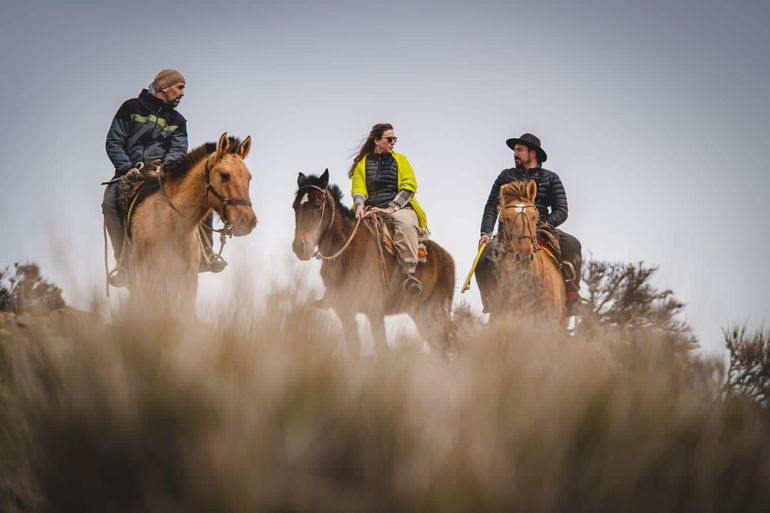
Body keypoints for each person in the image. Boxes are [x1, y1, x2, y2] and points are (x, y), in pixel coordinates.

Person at [102, 69, 223, 287]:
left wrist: (165, 168)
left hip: (163, 174)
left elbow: (178, 149)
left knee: (203, 192)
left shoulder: (178, 121)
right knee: (109, 203)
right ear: (164, 87)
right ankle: (123, 263)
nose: (183, 93)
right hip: (129, 172)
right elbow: (114, 141)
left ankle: (207, 253)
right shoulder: (131, 107)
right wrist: (127, 167)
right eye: (180, 87)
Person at [477, 133, 583, 311]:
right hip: (509, 231)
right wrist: (485, 232)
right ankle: (490, 300)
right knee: (484, 256)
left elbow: (562, 210)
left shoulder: (551, 178)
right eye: (515, 150)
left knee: (573, 244)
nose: (515, 154)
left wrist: (541, 224)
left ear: (532, 153)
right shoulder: (505, 176)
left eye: (519, 150)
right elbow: (492, 206)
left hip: (541, 227)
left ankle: (571, 295)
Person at [349, 123, 428, 295]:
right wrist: (359, 206)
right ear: (376, 140)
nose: (393, 142)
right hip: (371, 208)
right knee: (347, 229)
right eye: (389, 139)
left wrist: (391, 209)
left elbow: (409, 187)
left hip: (400, 208)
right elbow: (358, 189)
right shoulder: (362, 164)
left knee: (405, 226)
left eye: (394, 139)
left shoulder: (401, 160)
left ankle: (409, 274)